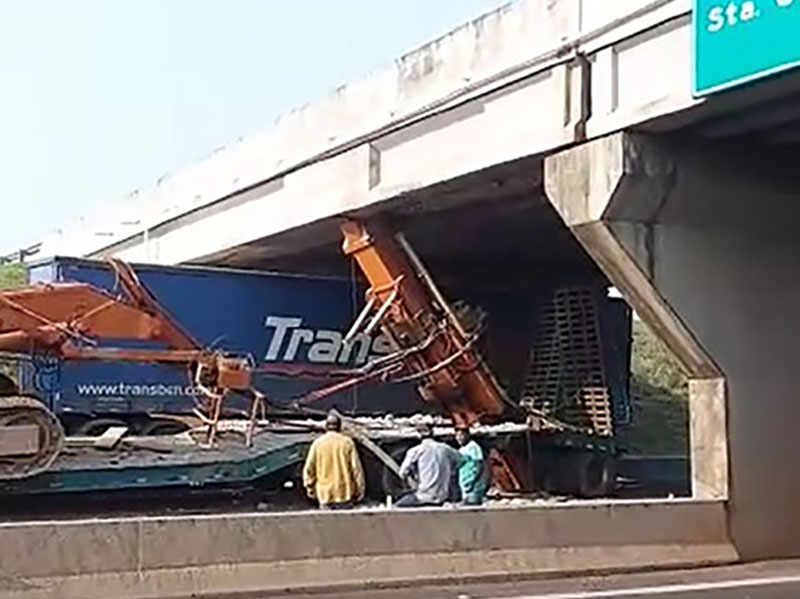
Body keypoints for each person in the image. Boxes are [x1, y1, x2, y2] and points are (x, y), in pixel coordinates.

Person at [302, 411, 365, 510]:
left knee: (327, 524)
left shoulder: (317, 444)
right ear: (339, 427)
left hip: (325, 494)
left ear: (326, 427)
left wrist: (309, 487)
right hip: (345, 493)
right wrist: (360, 489)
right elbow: (356, 469)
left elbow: (309, 469)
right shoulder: (347, 443)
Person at [396, 422, 464, 507]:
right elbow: (462, 460)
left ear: (419, 435)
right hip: (442, 496)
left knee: (397, 506)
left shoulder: (415, 451)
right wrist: (451, 471)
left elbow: (402, 473)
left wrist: (413, 477)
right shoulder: (445, 448)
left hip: (423, 496)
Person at [455, 426, 489, 506]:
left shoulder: (473, 447)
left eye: (461, 435)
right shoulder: (461, 449)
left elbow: (479, 465)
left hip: (473, 487)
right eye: (457, 436)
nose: (459, 438)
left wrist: (472, 481)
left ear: (467, 435)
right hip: (465, 486)